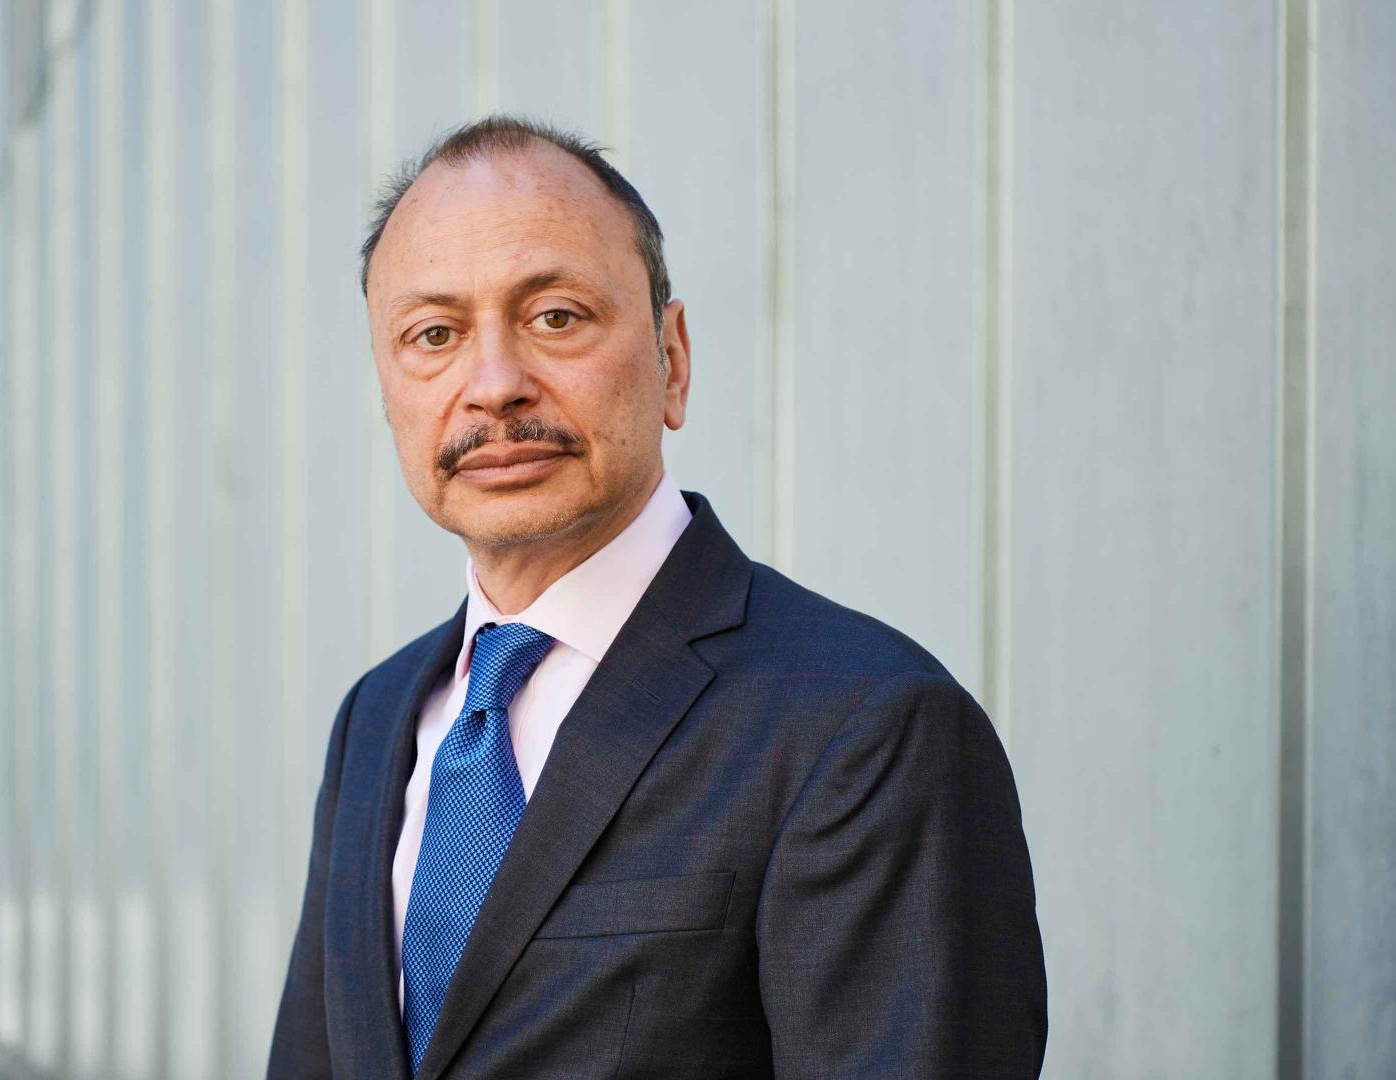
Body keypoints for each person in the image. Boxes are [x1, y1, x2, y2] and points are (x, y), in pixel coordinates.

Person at [269, 115, 1046, 1079]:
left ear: (672, 360)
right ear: (389, 388)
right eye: (433, 334)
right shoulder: (376, 720)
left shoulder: (865, 728)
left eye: (555, 316)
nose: (495, 385)